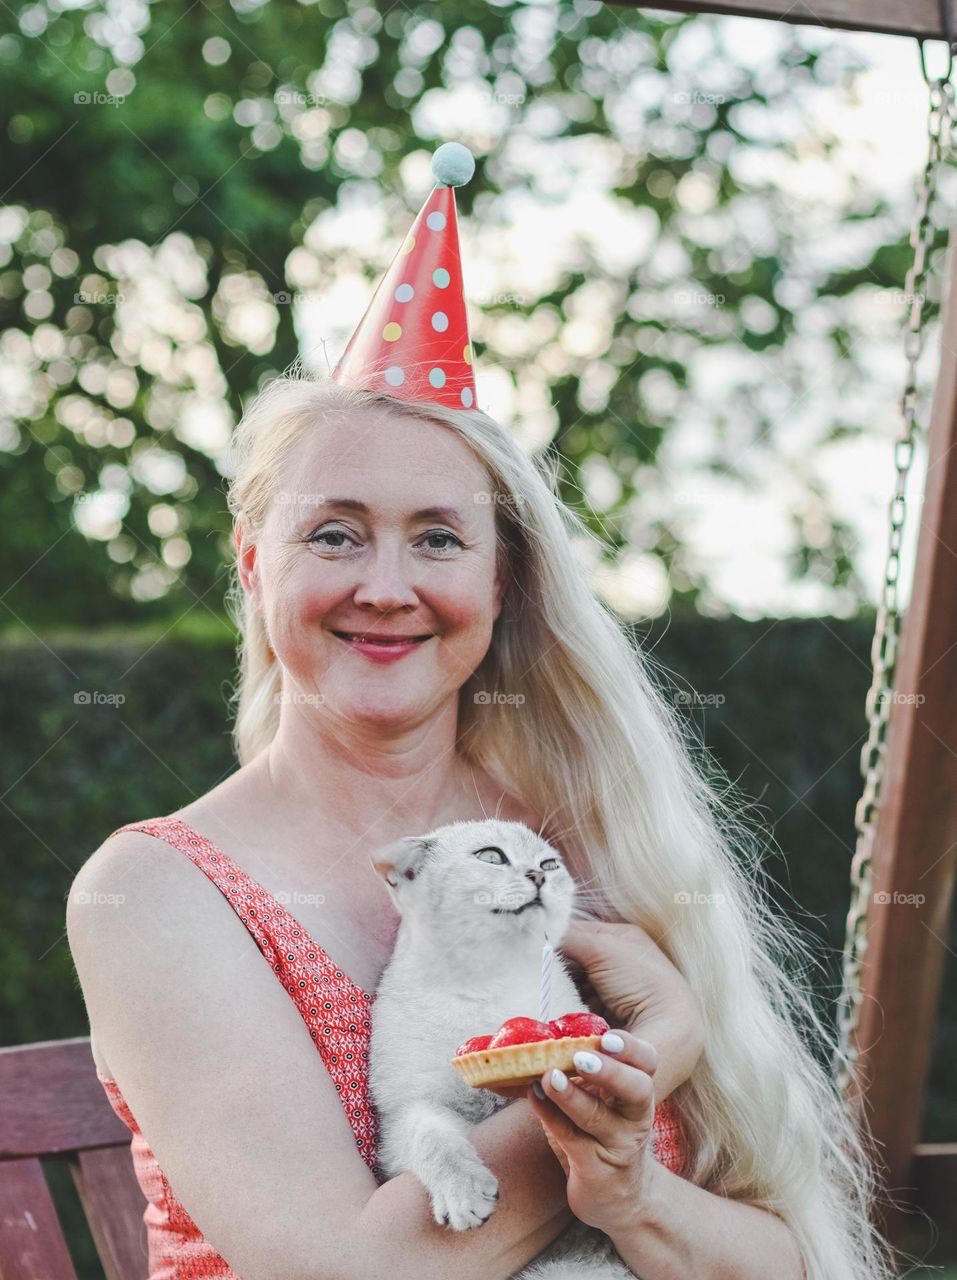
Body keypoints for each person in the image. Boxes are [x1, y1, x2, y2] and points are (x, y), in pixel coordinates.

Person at [66, 145, 895, 1280]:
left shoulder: (583, 843)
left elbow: (784, 1258)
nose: (388, 585)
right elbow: (347, 1270)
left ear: (500, 584)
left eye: (440, 537)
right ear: (256, 569)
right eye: (335, 531)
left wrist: (639, 1189)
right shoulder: (160, 890)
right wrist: (641, 1050)